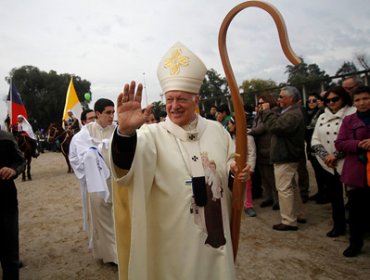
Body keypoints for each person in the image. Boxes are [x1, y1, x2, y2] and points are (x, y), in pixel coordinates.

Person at [110, 42, 249, 279]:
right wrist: (125, 134)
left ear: (196, 100)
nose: (174, 106)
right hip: (172, 241)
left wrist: (234, 172)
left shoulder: (217, 131)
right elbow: (126, 169)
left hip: (213, 231)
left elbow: (229, 166)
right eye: (169, 99)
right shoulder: (151, 136)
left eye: (181, 99)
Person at [68, 100, 117, 265]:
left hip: (117, 182)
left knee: (117, 218)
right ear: (98, 114)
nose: (112, 116)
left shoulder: (117, 129)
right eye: (108, 112)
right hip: (98, 183)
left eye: (113, 112)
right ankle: (110, 255)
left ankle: (120, 251)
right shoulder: (85, 133)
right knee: (102, 220)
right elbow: (78, 156)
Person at [311, 86, 355, 238]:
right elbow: (315, 139)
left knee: (354, 199)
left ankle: (357, 230)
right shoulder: (323, 117)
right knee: (335, 197)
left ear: (343, 98)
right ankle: (339, 225)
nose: (331, 102)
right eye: (328, 100)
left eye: (335, 99)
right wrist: (326, 156)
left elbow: (354, 138)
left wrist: (336, 155)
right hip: (328, 164)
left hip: (348, 162)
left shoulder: (353, 114)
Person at [261, 86, 306, 231]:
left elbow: (275, 127)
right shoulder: (290, 112)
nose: (278, 99)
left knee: (284, 188)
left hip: (285, 155)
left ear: (291, 99)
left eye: (281, 97)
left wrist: (267, 112)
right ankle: (297, 214)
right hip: (287, 154)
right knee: (291, 187)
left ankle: (288, 221)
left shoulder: (293, 114)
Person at [335, 86, 370, 257]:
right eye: (358, 100)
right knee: (355, 210)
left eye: (365, 98)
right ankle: (355, 243)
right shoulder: (349, 120)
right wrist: (358, 144)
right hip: (356, 170)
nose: (362, 103)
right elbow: (340, 143)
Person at [0, 130, 26, 280]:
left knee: (10, 253)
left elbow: (20, 160)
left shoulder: (6, 137)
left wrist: (13, 170)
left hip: (6, 201)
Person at [249, 94, 279, 210]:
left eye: (261, 103)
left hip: (268, 148)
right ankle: (269, 197)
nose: (259, 106)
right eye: (258, 104)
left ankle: (277, 200)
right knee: (264, 177)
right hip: (260, 149)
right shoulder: (259, 114)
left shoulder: (272, 114)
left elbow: (261, 129)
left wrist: (248, 132)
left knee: (271, 177)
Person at [228, 116, 256, 217]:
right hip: (234, 167)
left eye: (230, 124)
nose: (228, 126)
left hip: (245, 167)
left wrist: (250, 168)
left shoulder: (248, 137)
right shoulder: (231, 137)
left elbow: (251, 153)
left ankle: (248, 206)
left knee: (247, 187)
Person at [305, 93, 329, 204]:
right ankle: (320, 191)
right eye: (309, 101)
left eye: (314, 100)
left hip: (320, 145)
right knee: (316, 170)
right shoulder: (307, 114)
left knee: (323, 170)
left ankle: (326, 193)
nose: (311, 103)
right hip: (310, 145)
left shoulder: (322, 113)